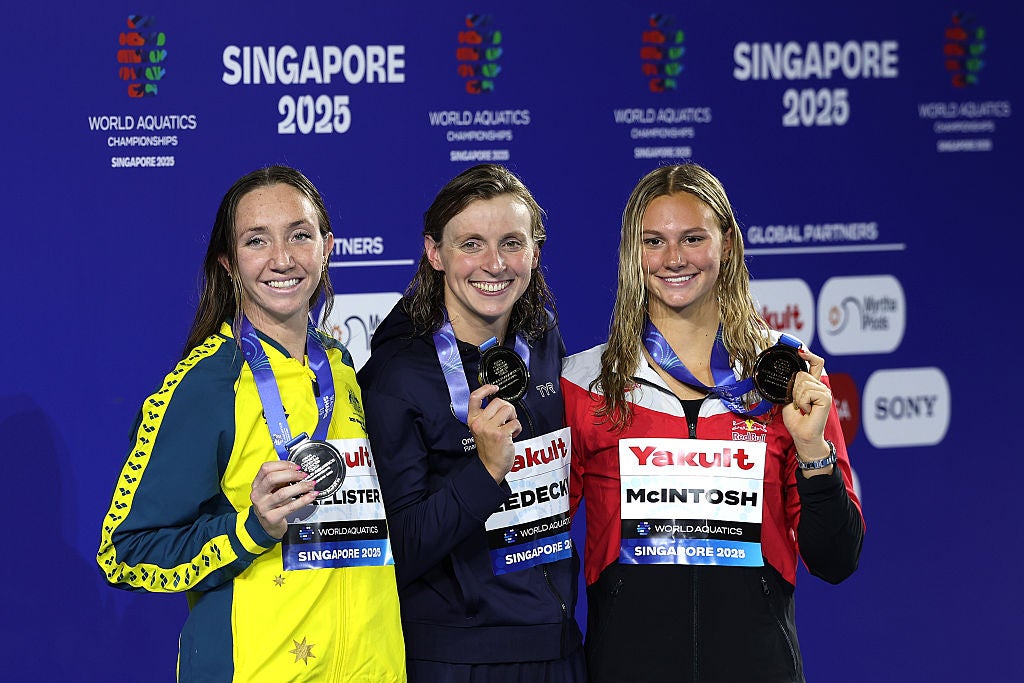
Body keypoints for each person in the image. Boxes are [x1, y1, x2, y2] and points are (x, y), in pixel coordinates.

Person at [96, 165, 406, 682]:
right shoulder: (206, 385)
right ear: (230, 263)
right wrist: (249, 530)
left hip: (374, 668)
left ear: (327, 247)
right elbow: (125, 552)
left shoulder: (342, 367)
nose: (282, 259)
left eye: (300, 236)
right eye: (257, 241)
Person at [561, 163, 864, 683]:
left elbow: (836, 559)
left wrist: (813, 449)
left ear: (727, 243)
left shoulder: (785, 380)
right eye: (654, 240)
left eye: (693, 238)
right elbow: (530, 537)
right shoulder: (586, 382)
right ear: (634, 253)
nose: (674, 259)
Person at [357, 164, 585, 682]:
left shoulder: (542, 336)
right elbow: (397, 548)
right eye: (472, 244)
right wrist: (483, 472)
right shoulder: (397, 375)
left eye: (511, 242)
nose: (495, 264)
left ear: (534, 252)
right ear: (435, 253)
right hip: (457, 659)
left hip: (556, 645)